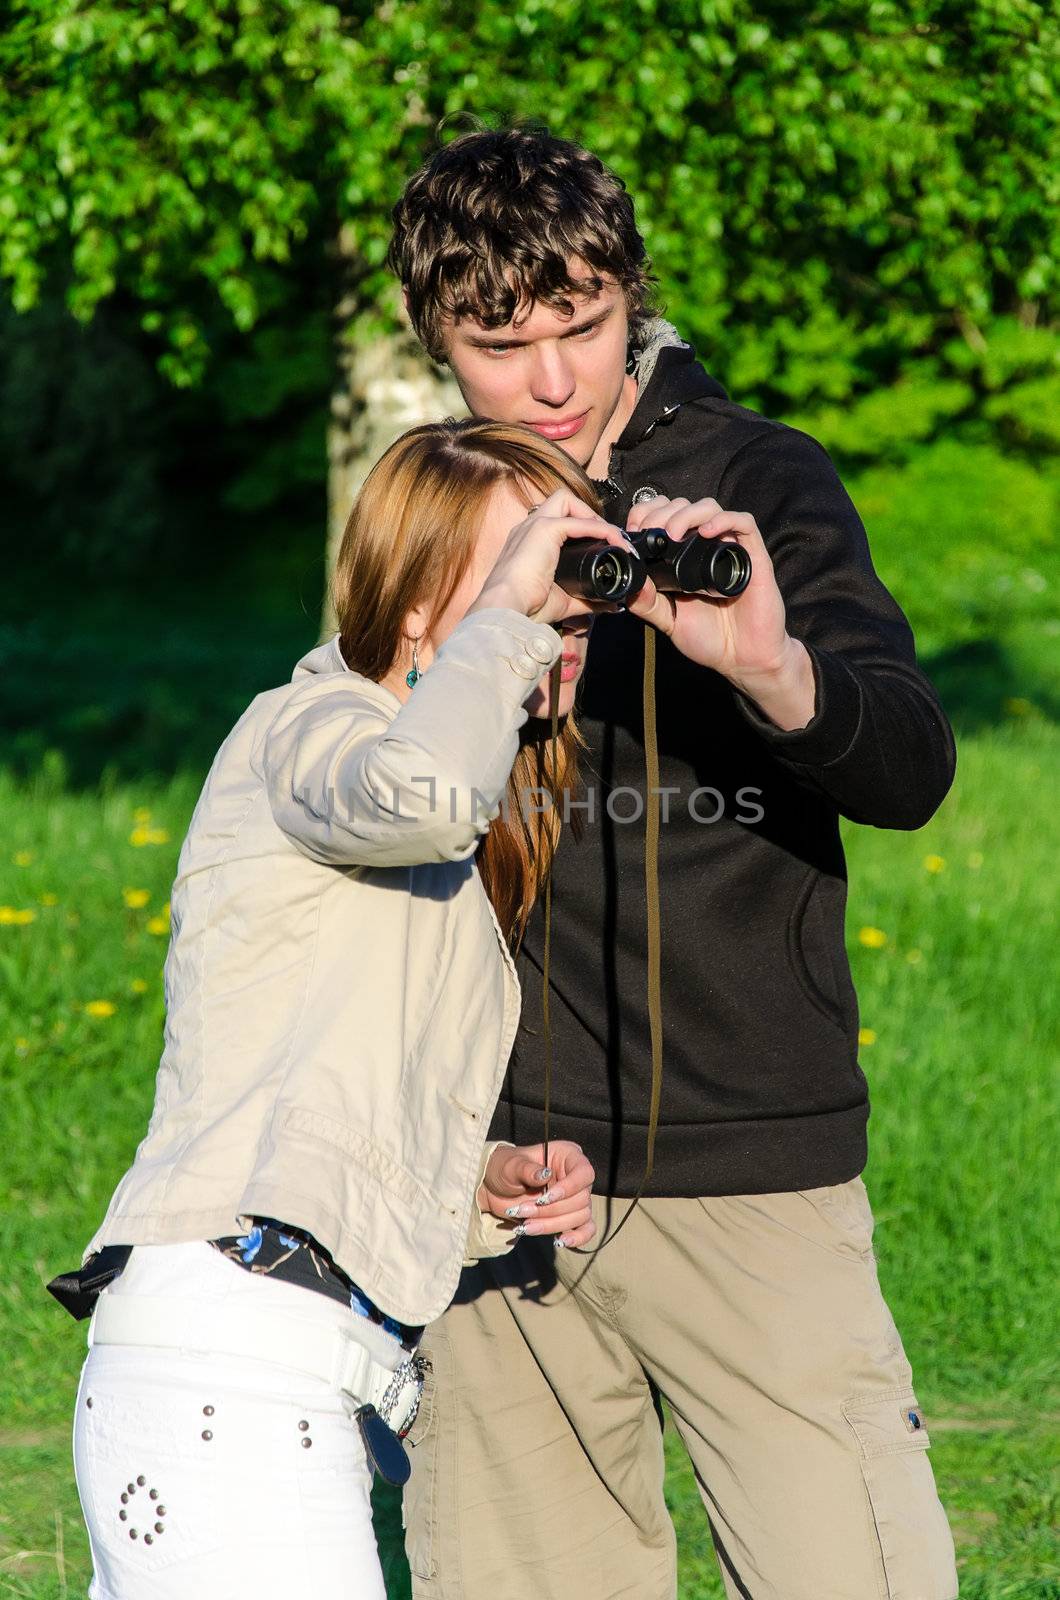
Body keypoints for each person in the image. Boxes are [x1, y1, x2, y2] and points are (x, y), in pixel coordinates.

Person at [388, 126, 961, 1599]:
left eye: (584, 326)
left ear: (632, 294)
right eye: (501, 344)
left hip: (752, 1167)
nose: (557, 381)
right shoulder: (438, 505)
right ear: (434, 333)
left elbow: (910, 763)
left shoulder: (760, 477)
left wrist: (773, 668)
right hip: (498, 1177)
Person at [55, 418, 632, 1599]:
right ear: (418, 604)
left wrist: (476, 1187)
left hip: (271, 1374)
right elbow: (414, 793)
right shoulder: (309, 727)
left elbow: (323, 1075)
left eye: (567, 577)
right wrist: (510, 624)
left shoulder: (448, 793)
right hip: (229, 1380)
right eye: (522, 562)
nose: (556, 605)